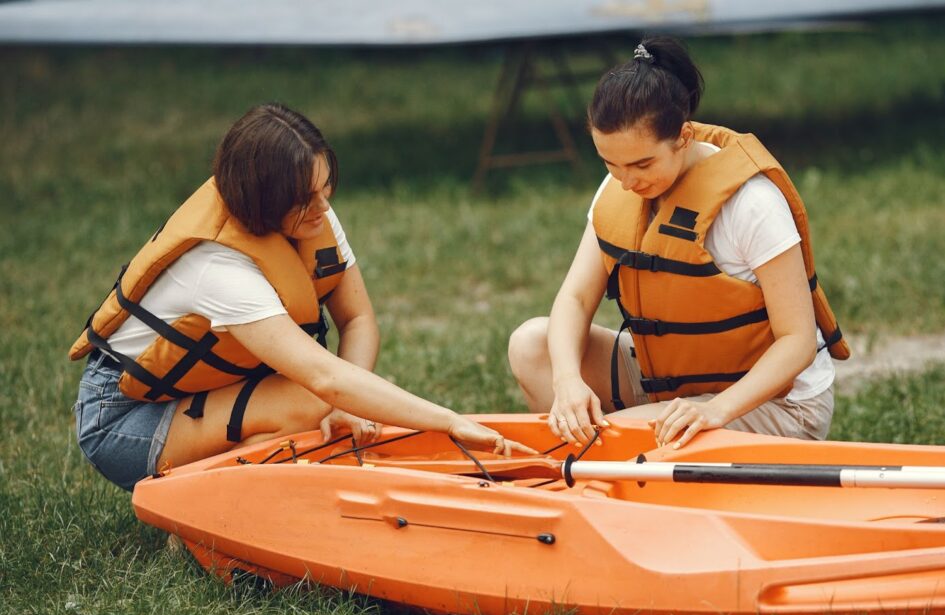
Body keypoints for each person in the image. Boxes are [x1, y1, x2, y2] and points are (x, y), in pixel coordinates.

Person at [71, 103, 531, 491]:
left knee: (323, 415)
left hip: (209, 395)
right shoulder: (218, 264)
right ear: (262, 201)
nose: (325, 207)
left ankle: (230, 497)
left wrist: (346, 406)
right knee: (309, 408)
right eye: (307, 198)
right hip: (124, 418)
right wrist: (447, 421)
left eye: (325, 188)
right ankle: (196, 521)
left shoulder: (311, 218)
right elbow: (324, 380)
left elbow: (359, 320)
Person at [508, 37, 850, 450]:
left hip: (777, 404)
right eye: (610, 164)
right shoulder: (620, 187)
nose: (628, 181)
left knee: (620, 440)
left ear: (684, 137)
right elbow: (576, 299)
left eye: (642, 164)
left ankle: (597, 475)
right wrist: (567, 382)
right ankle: (594, 468)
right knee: (531, 345)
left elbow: (796, 342)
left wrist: (714, 411)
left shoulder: (751, 203)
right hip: (670, 385)